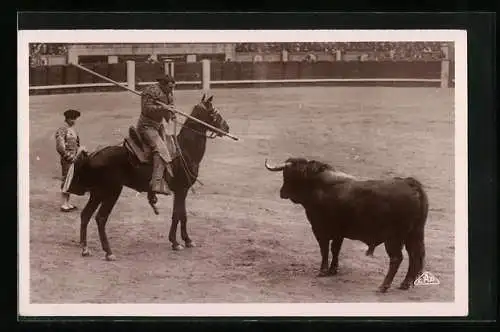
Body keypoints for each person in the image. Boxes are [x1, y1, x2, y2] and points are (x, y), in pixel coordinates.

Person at [136, 74, 178, 196]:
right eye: (170, 87)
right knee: (161, 150)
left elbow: (168, 111)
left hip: (158, 126)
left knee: (172, 148)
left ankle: (167, 178)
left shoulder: (169, 93)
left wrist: (171, 114)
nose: (171, 90)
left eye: (173, 88)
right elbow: (146, 109)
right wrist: (163, 108)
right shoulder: (150, 91)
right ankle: (156, 183)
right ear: (163, 85)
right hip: (146, 126)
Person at [55, 109, 83, 212]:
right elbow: (60, 148)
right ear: (66, 118)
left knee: (70, 180)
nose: (73, 121)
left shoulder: (73, 130)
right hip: (68, 160)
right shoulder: (62, 129)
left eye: (75, 119)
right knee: (66, 179)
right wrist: (71, 158)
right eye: (71, 118)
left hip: (74, 159)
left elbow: (77, 145)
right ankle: (63, 204)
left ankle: (67, 202)